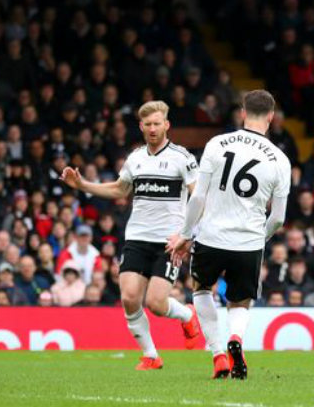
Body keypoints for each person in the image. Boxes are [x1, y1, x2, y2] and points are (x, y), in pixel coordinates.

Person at [61, 100, 200, 370]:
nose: (152, 128)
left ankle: (186, 314)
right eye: (147, 124)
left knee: (157, 304)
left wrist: (188, 235)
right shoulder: (135, 158)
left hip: (169, 241)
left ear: (166, 125)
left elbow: (198, 198)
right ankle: (151, 355)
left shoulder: (183, 158)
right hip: (137, 237)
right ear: (140, 126)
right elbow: (119, 190)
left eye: (157, 123)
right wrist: (81, 185)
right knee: (129, 297)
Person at [168, 90, 291, 380]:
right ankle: (235, 337)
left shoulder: (217, 143)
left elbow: (198, 198)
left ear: (243, 113)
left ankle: (218, 354)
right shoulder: (280, 159)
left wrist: (186, 234)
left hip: (211, 236)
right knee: (240, 301)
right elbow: (279, 217)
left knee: (201, 288)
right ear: (271, 117)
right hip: (248, 241)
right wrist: (258, 241)